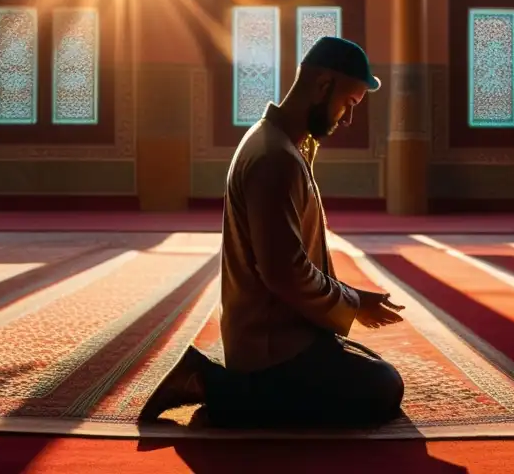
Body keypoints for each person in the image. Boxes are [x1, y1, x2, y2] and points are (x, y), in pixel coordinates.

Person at [141, 36, 406, 428]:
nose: (348, 119)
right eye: (348, 104)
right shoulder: (274, 158)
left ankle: (239, 384)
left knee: (373, 368)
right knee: (383, 388)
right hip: (271, 347)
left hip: (287, 331)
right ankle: (211, 384)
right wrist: (351, 302)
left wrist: (353, 300)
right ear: (322, 86)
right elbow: (285, 272)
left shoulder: (283, 145)